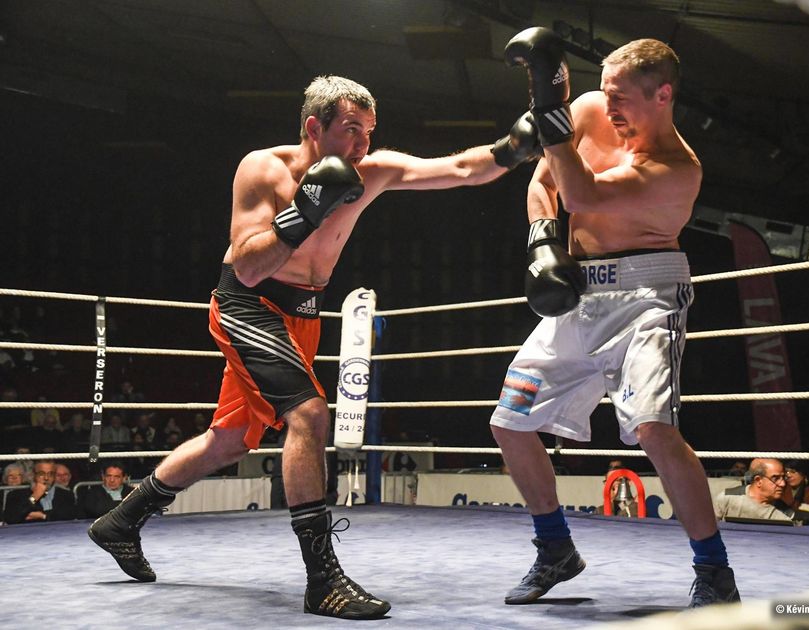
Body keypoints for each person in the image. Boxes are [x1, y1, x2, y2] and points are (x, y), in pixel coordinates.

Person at [88, 74, 541, 620]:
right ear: (313, 127)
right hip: (248, 305)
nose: (362, 145)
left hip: (304, 315)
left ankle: (120, 522)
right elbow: (251, 267)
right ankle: (322, 579)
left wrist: (515, 147)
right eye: (351, 130)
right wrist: (305, 211)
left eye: (369, 133)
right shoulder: (263, 169)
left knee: (229, 440)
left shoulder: (371, 173)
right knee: (308, 414)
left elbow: (465, 169)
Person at [490, 28, 738, 607]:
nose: (609, 107)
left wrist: (546, 109)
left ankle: (714, 572)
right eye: (604, 92)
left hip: (647, 296)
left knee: (653, 429)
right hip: (580, 292)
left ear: (663, 95)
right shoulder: (590, 109)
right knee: (510, 422)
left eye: (622, 96)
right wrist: (542, 244)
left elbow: (579, 193)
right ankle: (555, 549)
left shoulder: (678, 168)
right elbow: (542, 184)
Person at [714, 459, 794, 523]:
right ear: (758, 480)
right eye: (775, 478)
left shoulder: (786, 515)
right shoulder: (727, 498)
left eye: (783, 478)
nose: (783, 484)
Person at [3, 460, 76, 524]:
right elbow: (11, 519)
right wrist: (34, 497)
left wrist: (43, 516)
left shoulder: (66, 494)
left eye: (50, 474)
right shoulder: (16, 494)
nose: (46, 478)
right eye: (41, 474)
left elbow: (68, 517)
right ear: (33, 475)